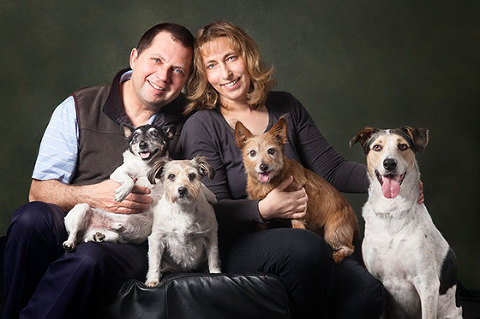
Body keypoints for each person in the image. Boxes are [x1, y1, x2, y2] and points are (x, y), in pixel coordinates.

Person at [181, 20, 386, 319]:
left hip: (306, 234)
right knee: (305, 246)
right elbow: (210, 209)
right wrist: (264, 209)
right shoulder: (201, 125)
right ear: (204, 75)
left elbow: (332, 168)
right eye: (212, 65)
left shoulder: (284, 105)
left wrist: (386, 179)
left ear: (247, 57)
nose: (225, 73)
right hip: (240, 240)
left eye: (231, 58)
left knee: (367, 294)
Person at [3, 23, 194, 319]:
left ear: (185, 80)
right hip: (75, 214)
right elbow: (38, 192)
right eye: (156, 60)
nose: (163, 76)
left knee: (88, 258)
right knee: (30, 219)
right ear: (134, 58)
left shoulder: (189, 124)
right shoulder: (78, 107)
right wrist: (94, 196)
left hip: (132, 237)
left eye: (177, 70)